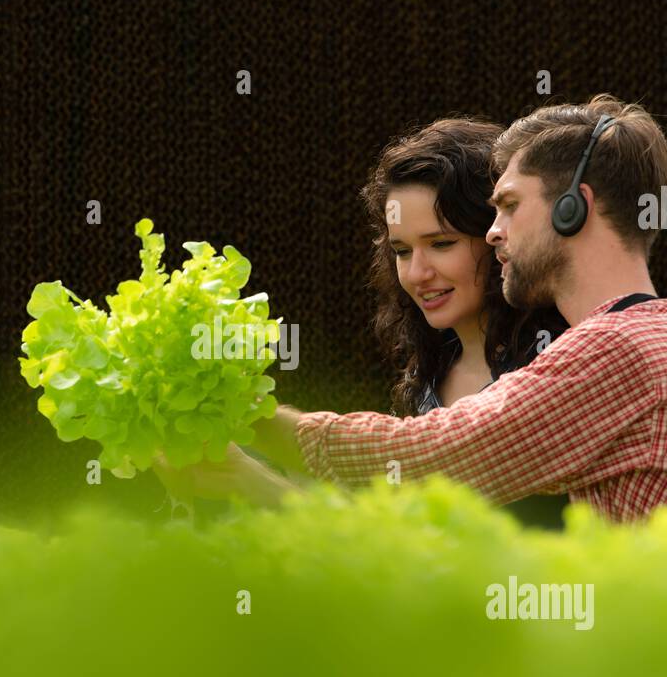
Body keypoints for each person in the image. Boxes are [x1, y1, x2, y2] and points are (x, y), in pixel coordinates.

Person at [164, 95, 667, 525]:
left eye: (509, 206)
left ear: (570, 210)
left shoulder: (621, 348)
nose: (494, 232)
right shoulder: (654, 336)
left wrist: (249, 415)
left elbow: (435, 454)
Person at [155, 115, 570, 527]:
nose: (417, 273)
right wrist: (241, 476)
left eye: (441, 244)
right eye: (402, 251)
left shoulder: (557, 364)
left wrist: (249, 420)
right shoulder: (427, 377)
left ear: (499, 236)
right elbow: (404, 548)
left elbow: (441, 529)